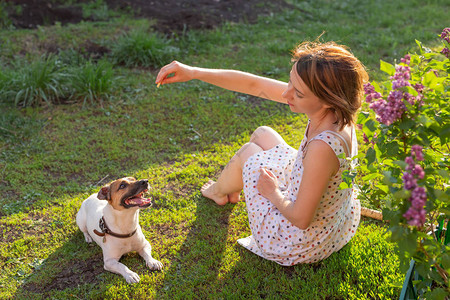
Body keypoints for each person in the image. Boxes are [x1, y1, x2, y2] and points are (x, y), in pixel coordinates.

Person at [155, 41, 369, 265]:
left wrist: (273, 192)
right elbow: (254, 84)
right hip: (334, 220)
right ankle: (223, 189)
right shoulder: (337, 113)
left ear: (328, 100)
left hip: (298, 241)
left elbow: (301, 219)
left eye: (298, 93)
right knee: (262, 134)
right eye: (289, 82)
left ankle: (219, 191)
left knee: (250, 151)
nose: (286, 94)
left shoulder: (322, 148)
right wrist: (194, 72)